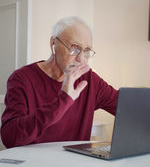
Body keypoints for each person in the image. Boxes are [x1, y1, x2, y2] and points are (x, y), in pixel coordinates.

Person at [0, 16, 118, 148]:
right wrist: (63, 100)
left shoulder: (89, 79)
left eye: (86, 51)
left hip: (74, 164)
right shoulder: (22, 78)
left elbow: (126, 106)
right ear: (53, 44)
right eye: (74, 48)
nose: (81, 59)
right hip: (33, 164)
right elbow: (10, 138)